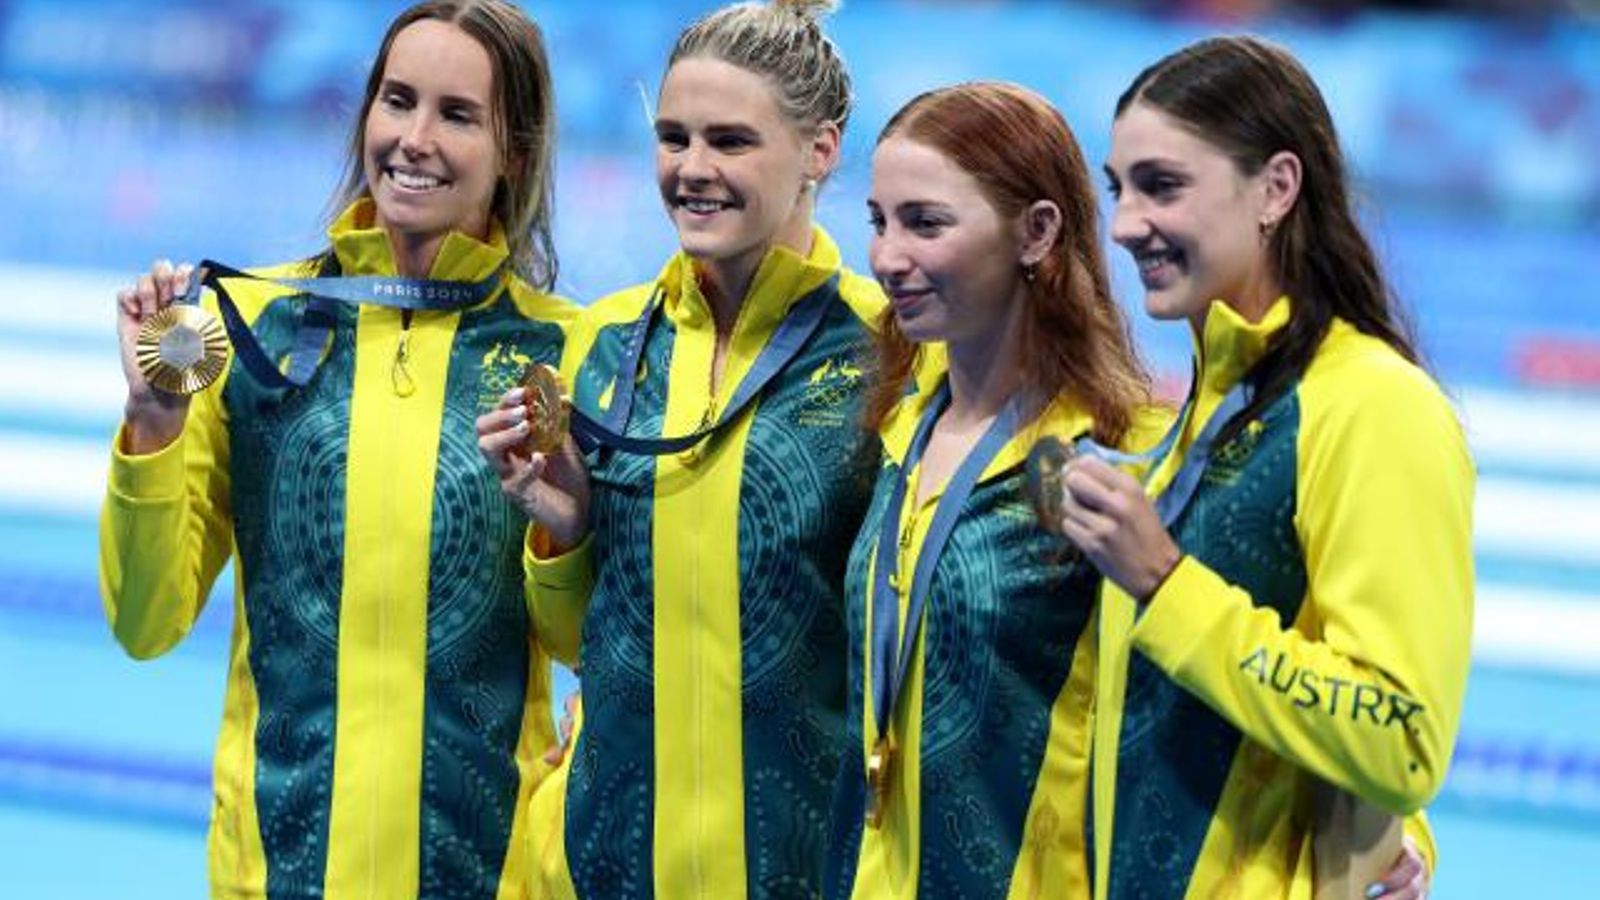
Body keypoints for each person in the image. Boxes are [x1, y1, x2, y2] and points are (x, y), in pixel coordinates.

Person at [98, 2, 575, 896]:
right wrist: (153, 421)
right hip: (276, 871)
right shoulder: (252, 331)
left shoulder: (565, 357)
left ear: (515, 151)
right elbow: (143, 620)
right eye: (397, 101)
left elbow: (598, 643)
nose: (414, 138)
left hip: (486, 876)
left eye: (457, 114)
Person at [475, 1, 893, 896]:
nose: (691, 170)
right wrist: (565, 533)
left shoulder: (889, 347)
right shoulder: (608, 339)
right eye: (673, 138)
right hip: (606, 860)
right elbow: (579, 636)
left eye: (731, 142)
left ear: (821, 149)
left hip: (801, 867)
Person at [1068, 35, 1472, 899]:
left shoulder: (1375, 407)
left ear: (1276, 189)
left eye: (1162, 186)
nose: (1127, 223)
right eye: (1119, 189)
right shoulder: (1211, 411)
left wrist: (1166, 585)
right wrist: (1376, 836)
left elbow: (1400, 736)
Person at [821, 81, 1159, 900]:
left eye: (925, 223)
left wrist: (1398, 837)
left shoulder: (1117, 457)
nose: (887, 257)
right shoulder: (895, 427)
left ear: (1037, 232)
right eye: (879, 221)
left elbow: (1228, 688)